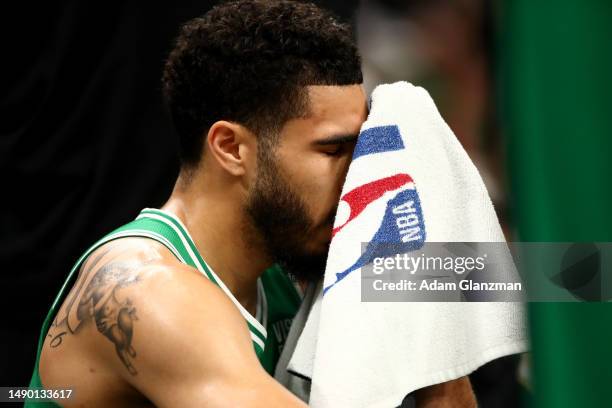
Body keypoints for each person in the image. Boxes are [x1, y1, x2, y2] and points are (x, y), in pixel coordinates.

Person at [29, 1, 474, 406]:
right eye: (333, 151)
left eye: (361, 152)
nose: (356, 178)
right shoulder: (149, 293)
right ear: (231, 148)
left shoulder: (284, 269)